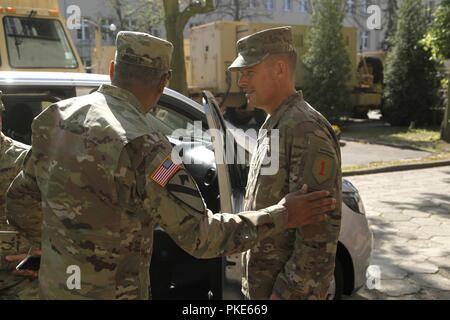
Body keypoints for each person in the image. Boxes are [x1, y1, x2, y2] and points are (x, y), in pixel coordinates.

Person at [5, 31, 336, 300]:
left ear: (111, 71)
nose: (243, 81)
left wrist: (52, 249)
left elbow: (20, 203)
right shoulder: (146, 147)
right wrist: (283, 215)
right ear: (164, 83)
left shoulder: (57, 119)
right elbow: (202, 236)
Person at [228, 26, 342, 300]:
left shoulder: (304, 129)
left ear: (279, 68)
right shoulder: (276, 123)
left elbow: (317, 236)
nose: (242, 82)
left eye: (249, 72)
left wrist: (287, 293)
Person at [0, 91, 39, 299]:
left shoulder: (29, 161)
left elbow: (66, 222)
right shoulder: (149, 139)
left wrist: (42, 260)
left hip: (21, 287)